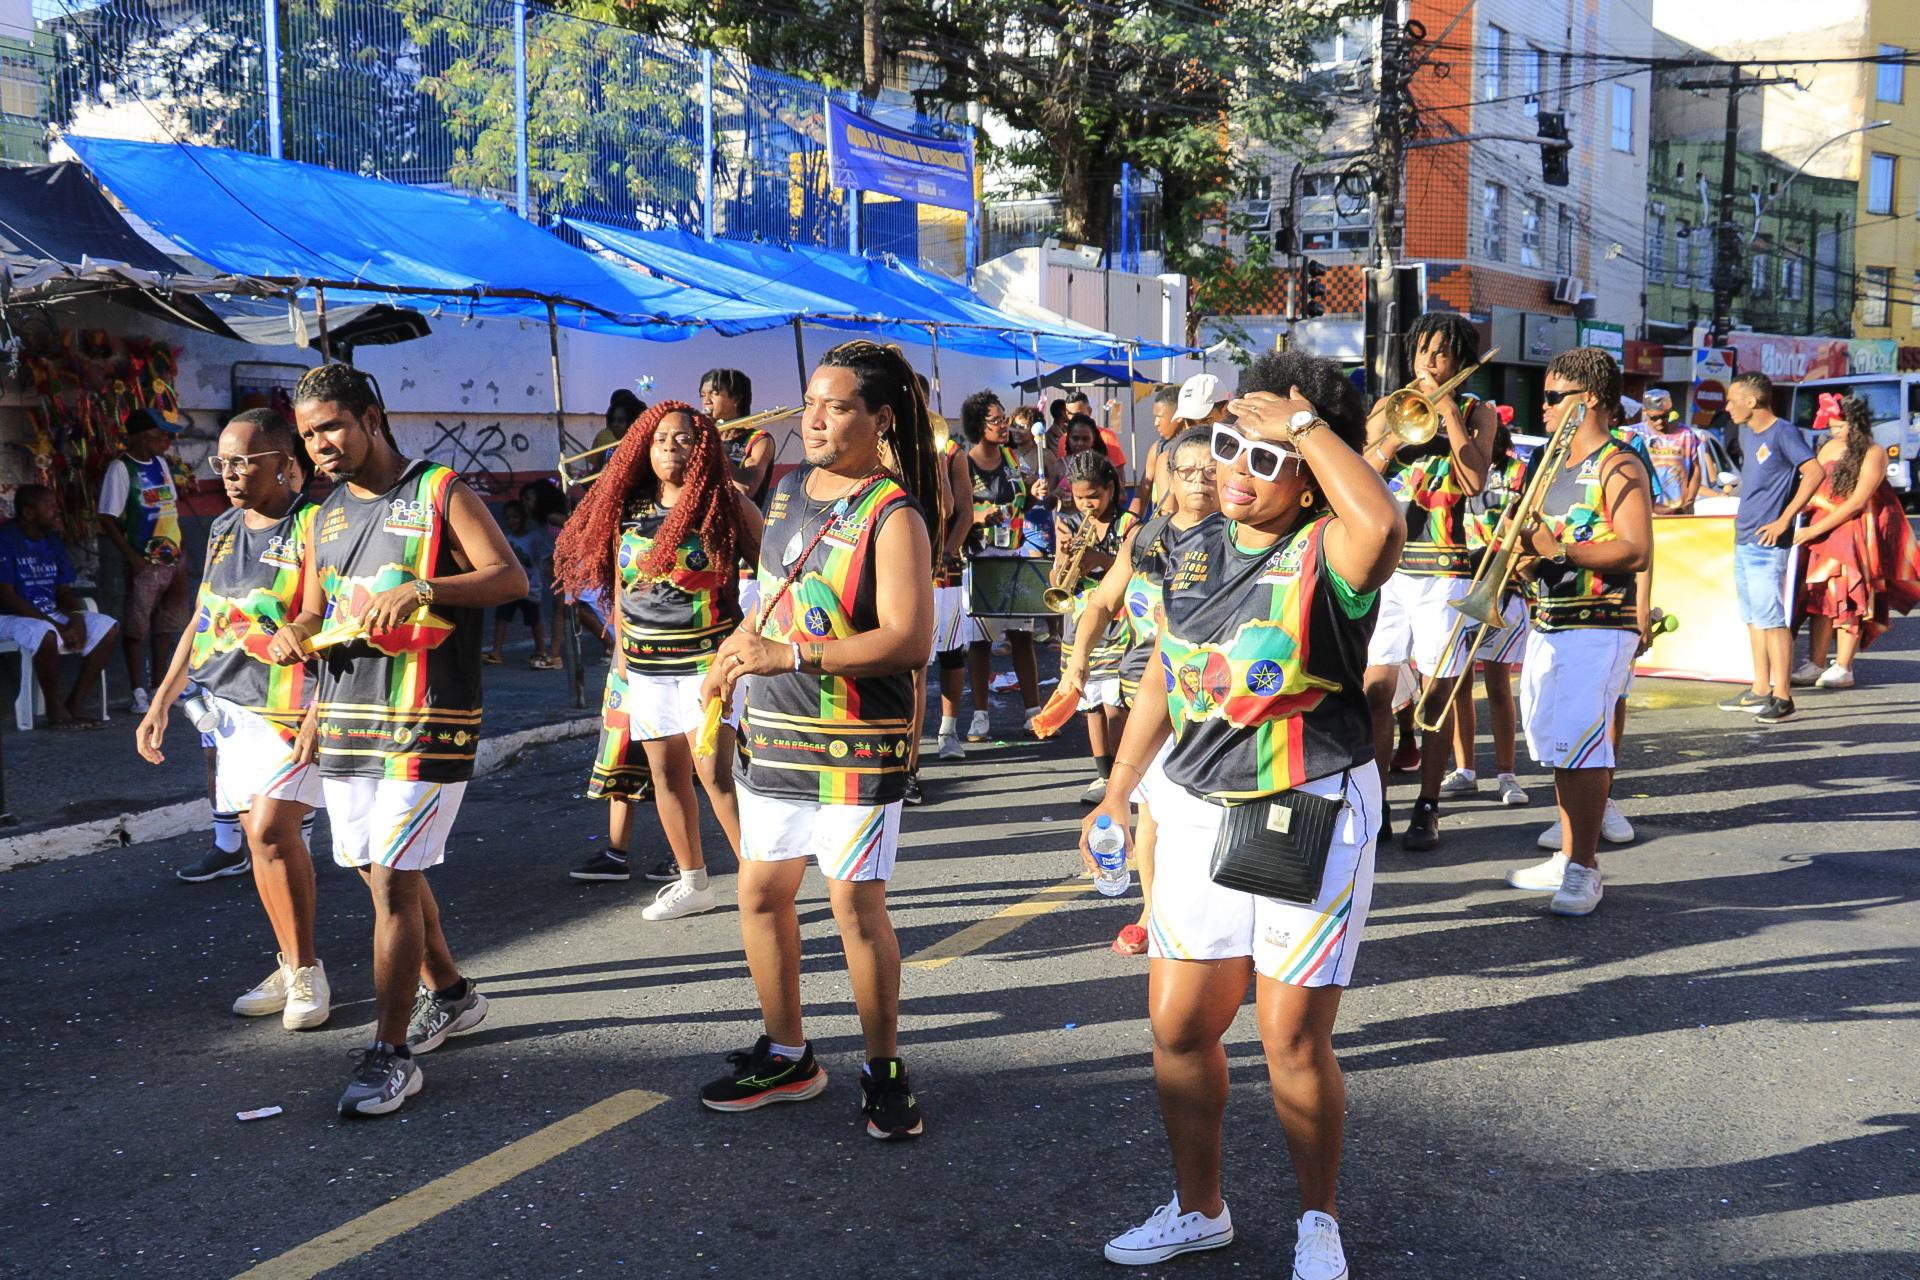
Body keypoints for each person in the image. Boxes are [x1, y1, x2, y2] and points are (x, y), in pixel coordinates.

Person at [1084, 351, 1399, 1279]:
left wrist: (1303, 425)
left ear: (1310, 474)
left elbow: (1378, 519)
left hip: (1309, 807)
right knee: (1181, 1024)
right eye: (1228, 447)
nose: (1235, 471)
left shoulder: (1330, 550)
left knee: (1290, 1037)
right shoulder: (1184, 543)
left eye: (1263, 459)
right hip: (1190, 803)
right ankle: (1199, 1208)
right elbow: (1162, 667)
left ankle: (1317, 1220)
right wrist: (1119, 784)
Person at [268, 364, 528, 1118]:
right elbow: (319, 615)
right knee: (383, 874)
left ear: (371, 416)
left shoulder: (438, 489)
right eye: (309, 434)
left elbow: (509, 578)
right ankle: (450, 993)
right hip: (349, 719)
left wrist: (424, 587)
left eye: (332, 427)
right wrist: (296, 636)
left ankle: (390, 1054)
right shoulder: (323, 517)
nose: (321, 445)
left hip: (429, 717)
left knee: (390, 879)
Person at [697, 339, 939, 1140]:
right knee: (761, 893)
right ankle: (790, 1051)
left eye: (837, 407)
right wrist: (733, 652)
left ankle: (882, 1065)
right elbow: (773, 598)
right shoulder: (794, 488)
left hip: (855, 746)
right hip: (775, 732)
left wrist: (789, 653)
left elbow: (909, 640)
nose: (816, 419)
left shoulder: (893, 513)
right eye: (811, 402)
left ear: (879, 418)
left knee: (852, 905)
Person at [135, 409, 330, 1027]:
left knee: (274, 832)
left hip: (290, 709)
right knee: (259, 841)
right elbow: (202, 618)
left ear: (285, 464)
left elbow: (332, 621)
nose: (231, 474)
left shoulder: (316, 526)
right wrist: (161, 699)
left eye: (245, 461)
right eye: (223, 462)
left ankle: (309, 978)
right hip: (228, 710)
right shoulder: (221, 527)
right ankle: (294, 963)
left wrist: (321, 711)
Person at [554, 402, 761, 912]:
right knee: (665, 777)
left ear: (705, 447)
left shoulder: (727, 504)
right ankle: (694, 884)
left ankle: (759, 884)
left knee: (713, 774)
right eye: (660, 438)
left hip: (707, 665)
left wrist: (742, 645)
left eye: (684, 438)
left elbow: (779, 579)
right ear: (643, 448)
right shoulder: (628, 506)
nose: (671, 446)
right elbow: (621, 585)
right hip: (645, 669)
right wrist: (621, 648)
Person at [1503, 348, 1653, 916]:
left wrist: (1558, 549)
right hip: (1550, 619)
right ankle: (1569, 855)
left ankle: (1585, 868)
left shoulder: (1619, 464)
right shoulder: (1553, 464)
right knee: (1558, 745)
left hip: (1598, 623)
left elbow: (1636, 548)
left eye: (1550, 397)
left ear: (1587, 399)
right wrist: (1524, 560)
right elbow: (1542, 545)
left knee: (1583, 746)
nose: (1539, 408)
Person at [1061, 426, 1218, 953]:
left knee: (1205, 817)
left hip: (1209, 704)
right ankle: (1151, 912)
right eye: (1187, 470)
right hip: (1144, 698)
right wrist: (1076, 666)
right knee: (1149, 812)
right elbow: (1103, 603)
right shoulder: (1147, 538)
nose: (1200, 481)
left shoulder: (1238, 538)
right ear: (1167, 476)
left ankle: (1217, 917)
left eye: (1211, 470)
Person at [1361, 312, 1499, 850]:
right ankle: (1377, 805)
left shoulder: (1476, 411)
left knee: (1437, 695)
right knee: (1376, 690)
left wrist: (1445, 410)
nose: (1428, 361)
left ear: (1459, 360)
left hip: (1445, 570)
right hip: (1389, 568)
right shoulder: (1386, 408)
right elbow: (1361, 471)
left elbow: (1472, 480)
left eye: (1440, 353)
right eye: (1422, 350)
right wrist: (1395, 436)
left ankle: (1428, 805)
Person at [1796, 393, 1920, 688]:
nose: (1833, 432)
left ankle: (1843, 666)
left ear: (1854, 423)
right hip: (1822, 530)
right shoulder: (1828, 447)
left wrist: (1813, 531)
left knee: (1848, 599)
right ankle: (1815, 663)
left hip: (1853, 532)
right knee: (1819, 598)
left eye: (1838, 426)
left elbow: (1857, 502)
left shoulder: (1873, 452)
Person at [1719, 371, 1822, 723]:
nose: (1727, 406)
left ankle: (1783, 696)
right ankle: (1760, 687)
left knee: (1772, 619)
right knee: (1753, 617)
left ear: (1752, 400)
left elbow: (1814, 472)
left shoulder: (1784, 432)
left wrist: (1785, 519)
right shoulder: (1747, 433)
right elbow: (1761, 478)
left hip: (1768, 541)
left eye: (1733, 399)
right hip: (1745, 535)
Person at [1439, 419, 1529, 807]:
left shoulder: (1518, 470)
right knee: (1456, 684)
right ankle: (1466, 769)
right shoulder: (1450, 469)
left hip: (1504, 584)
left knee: (1497, 686)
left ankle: (1507, 774)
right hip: (1463, 581)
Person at [960, 390, 1043, 741]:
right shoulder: (963, 465)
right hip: (979, 559)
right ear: (979, 426)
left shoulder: (1012, 459)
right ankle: (980, 717)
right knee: (980, 642)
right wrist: (980, 515)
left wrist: (1038, 494)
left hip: (1013, 556)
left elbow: (1025, 501)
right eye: (997, 421)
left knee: (1022, 636)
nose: (1005, 426)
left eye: (1005, 419)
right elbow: (954, 510)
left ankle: (1034, 713)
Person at [1054, 449, 1136, 804]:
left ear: (1110, 489)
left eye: (1093, 496)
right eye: (1078, 496)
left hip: (1118, 623)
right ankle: (1102, 775)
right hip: (1080, 621)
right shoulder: (1066, 524)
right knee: (1090, 703)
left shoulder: (1128, 525)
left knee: (1116, 703)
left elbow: (1133, 569)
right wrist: (1066, 559)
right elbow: (1056, 578)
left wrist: (1099, 560)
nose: (1086, 504)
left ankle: (1122, 773)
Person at [0, 485, 118, 728]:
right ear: (29, 513)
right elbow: (6, 596)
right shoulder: (6, 540)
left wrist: (75, 618)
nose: (57, 512)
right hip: (9, 617)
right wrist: (56, 624)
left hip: (48, 615)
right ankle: (54, 709)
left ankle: (74, 705)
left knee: (107, 627)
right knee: (46, 633)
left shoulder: (52, 541)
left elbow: (63, 591)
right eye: (50, 507)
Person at [97, 407, 189, 714]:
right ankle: (138, 691)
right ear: (139, 437)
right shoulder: (121, 469)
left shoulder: (162, 464)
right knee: (137, 628)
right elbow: (107, 517)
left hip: (173, 559)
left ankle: (159, 687)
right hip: (143, 561)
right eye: (158, 435)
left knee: (165, 626)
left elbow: (171, 508)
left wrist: (183, 550)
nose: (165, 440)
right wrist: (133, 559)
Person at [488, 500, 553, 668]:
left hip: (530, 587)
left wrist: (548, 568)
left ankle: (541, 651)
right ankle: (496, 651)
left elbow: (546, 554)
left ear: (524, 518)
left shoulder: (534, 538)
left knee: (534, 619)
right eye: (508, 518)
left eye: (515, 517)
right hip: (510, 586)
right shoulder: (507, 540)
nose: (512, 521)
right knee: (501, 616)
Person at [701, 368, 775, 508]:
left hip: (742, 525)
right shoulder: (703, 437)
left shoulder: (759, 440)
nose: (706, 401)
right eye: (703, 395)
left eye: (714, 393)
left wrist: (715, 445)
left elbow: (745, 489)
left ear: (736, 398)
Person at [1635, 389, 1699, 514]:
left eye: (1664, 416)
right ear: (1646, 412)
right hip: (1645, 511)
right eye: (1654, 418)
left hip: (1677, 512)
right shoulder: (1634, 435)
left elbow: (1695, 469)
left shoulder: (1685, 434)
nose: (1659, 422)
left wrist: (1690, 500)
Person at [1128, 386, 1187, 520]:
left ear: (1178, 416)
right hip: (1160, 527)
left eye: (1159, 417)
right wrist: (1128, 526)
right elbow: (1142, 494)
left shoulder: (1199, 448)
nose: (1156, 423)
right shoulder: (1157, 449)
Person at [588, 389, 645, 458]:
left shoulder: (643, 448)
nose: (615, 425)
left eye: (620, 421)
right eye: (612, 420)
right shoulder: (609, 448)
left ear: (632, 422)